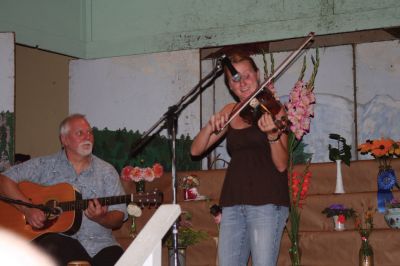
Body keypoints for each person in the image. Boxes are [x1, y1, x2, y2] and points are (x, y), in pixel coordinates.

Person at [191, 52, 289, 266]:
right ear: (229, 85)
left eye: (247, 75)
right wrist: (210, 126)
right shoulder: (230, 111)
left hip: (267, 201)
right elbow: (196, 150)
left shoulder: (274, 109)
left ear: (257, 74)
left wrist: (272, 136)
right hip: (233, 202)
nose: (243, 82)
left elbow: (282, 164)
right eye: (235, 79)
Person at [0, 114, 127, 266]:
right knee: (50, 247)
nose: (88, 137)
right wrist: (28, 209)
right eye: (80, 133)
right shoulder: (44, 165)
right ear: (64, 140)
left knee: (121, 259)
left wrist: (101, 218)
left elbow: (119, 216)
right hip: (57, 242)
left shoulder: (107, 171)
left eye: (90, 132)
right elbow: (4, 180)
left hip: (100, 245)